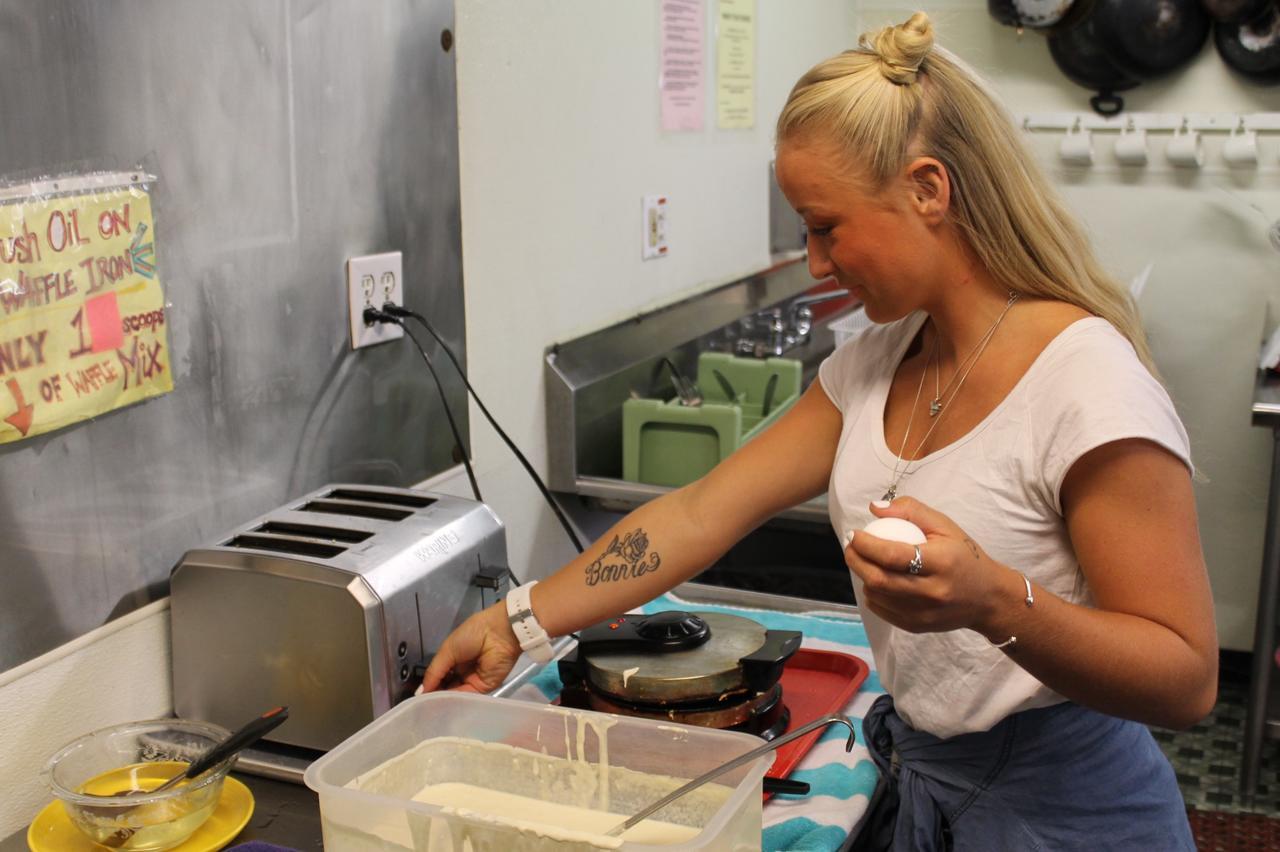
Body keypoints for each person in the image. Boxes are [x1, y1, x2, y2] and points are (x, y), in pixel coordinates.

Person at [422, 12, 1216, 850]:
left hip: (1072, 813)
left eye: (826, 225)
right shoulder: (874, 364)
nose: (814, 261)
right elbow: (699, 514)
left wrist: (989, 599)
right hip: (931, 783)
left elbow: (1186, 677)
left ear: (928, 189)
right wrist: (518, 621)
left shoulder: (1084, 380)